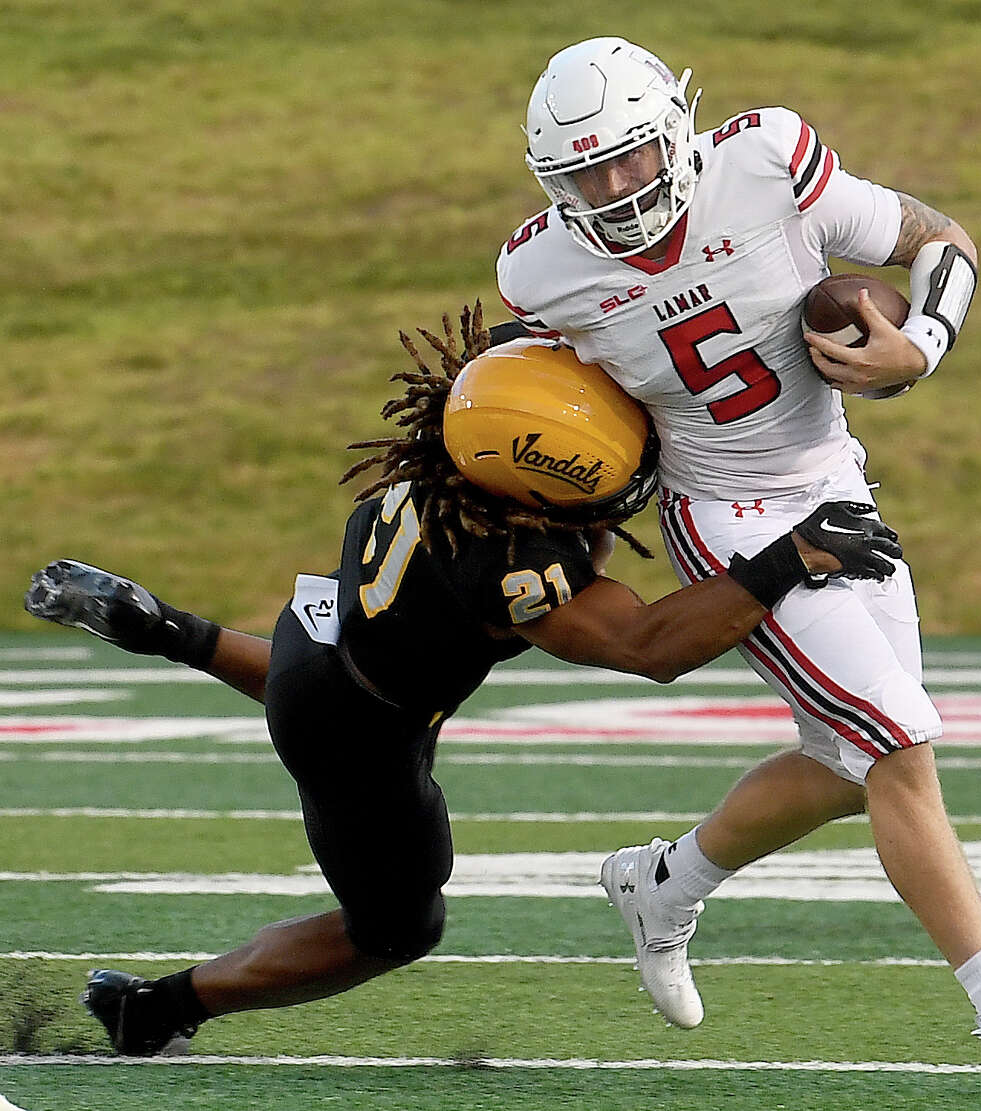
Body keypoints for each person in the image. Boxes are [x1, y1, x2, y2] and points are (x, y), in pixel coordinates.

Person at [497, 38, 981, 1091]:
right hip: (724, 519)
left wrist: (922, 342)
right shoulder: (542, 270)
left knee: (852, 766)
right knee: (895, 739)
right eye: (588, 172)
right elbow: (530, 400)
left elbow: (942, 239)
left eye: (629, 158)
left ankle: (664, 882)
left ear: (677, 129)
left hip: (834, 481)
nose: (615, 189)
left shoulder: (765, 158)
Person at [23, 306, 905, 1057]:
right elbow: (650, 644)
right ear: (542, 474)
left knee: (347, 686)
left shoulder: (453, 445)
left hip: (323, 641)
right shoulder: (514, 567)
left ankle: (168, 629)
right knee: (401, 925)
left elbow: (537, 361)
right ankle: (155, 1008)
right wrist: (789, 557)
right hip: (355, 724)